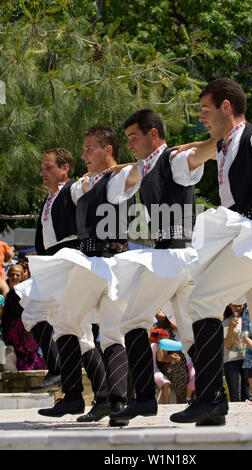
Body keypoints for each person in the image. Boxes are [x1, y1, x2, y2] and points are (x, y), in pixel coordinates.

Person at [169, 78, 252, 427]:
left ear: (227, 107)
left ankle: (211, 400)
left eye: (205, 109)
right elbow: (202, 145)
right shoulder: (224, 144)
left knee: (200, 302)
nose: (201, 117)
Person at [22, 125, 136, 425]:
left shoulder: (91, 184)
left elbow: (129, 173)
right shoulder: (67, 191)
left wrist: (129, 165)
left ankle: (76, 385)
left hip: (90, 262)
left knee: (81, 328)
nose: (43, 173)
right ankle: (105, 400)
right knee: (83, 333)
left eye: (89, 149)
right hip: (79, 263)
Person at [109, 108, 215, 423]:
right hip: (185, 259)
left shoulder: (174, 160)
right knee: (191, 333)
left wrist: (207, 142)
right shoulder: (150, 164)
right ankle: (208, 399)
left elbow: (202, 154)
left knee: (131, 321)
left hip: (171, 256)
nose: (129, 143)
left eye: (133, 137)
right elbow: (132, 167)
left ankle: (144, 398)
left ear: (153, 134)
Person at [17, 147, 80, 393]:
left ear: (65, 169)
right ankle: (67, 379)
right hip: (51, 263)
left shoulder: (73, 189)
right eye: (42, 168)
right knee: (36, 314)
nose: (42, 173)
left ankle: (61, 372)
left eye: (48, 167)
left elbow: (92, 186)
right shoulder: (49, 197)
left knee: (38, 314)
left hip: (68, 261)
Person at [2, 265, 46, 371]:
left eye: (18, 274)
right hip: (17, 337)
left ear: (22, 276)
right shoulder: (11, 292)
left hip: (25, 336)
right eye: (12, 274)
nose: (15, 277)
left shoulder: (25, 291)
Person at [223, 304, 250, 402]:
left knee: (247, 395)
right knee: (236, 395)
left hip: (247, 359)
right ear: (230, 306)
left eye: (240, 306)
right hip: (232, 360)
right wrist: (230, 328)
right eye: (235, 306)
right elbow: (228, 345)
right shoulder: (226, 322)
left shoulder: (247, 319)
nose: (237, 308)